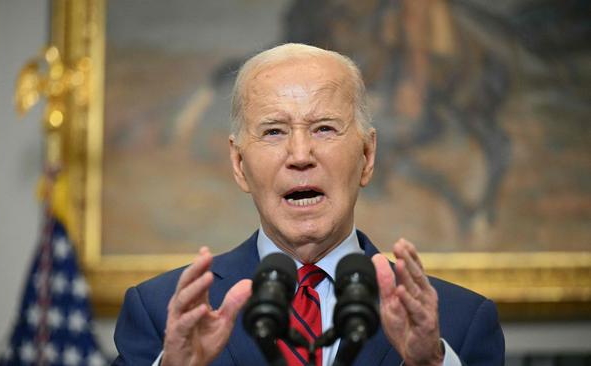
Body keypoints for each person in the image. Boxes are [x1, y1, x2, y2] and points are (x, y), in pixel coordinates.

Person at [112, 43, 505, 366]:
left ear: (367, 156)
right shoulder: (159, 312)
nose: (300, 154)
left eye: (324, 128)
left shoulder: (459, 322)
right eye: (274, 131)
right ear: (238, 165)